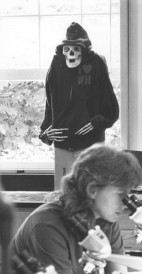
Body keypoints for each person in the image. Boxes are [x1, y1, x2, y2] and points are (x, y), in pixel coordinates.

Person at [9, 143, 142, 274]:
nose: (124, 204)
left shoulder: (107, 220)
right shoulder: (46, 225)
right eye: (120, 194)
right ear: (93, 190)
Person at [39, 22, 119, 189]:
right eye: (67, 49)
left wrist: (97, 122)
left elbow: (108, 101)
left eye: (76, 49)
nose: (71, 54)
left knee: (91, 192)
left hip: (90, 144)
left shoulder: (96, 62)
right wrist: (45, 131)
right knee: (64, 195)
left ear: (84, 48)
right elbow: (50, 100)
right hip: (62, 142)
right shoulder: (57, 63)